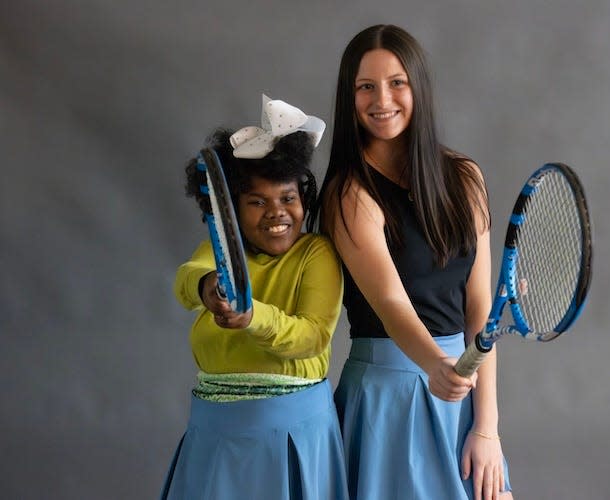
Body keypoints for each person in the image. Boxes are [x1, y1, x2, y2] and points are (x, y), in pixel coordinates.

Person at [309, 25, 513, 499]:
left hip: (459, 388)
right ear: (350, 96)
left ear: (418, 86)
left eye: (397, 82)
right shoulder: (349, 192)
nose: (382, 99)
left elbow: (478, 306)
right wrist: (437, 365)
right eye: (365, 87)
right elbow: (389, 302)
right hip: (387, 400)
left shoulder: (465, 177)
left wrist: (487, 428)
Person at [161, 95, 348, 499]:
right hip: (217, 431)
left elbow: (312, 336)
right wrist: (207, 286)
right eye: (257, 202)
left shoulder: (315, 254)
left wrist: (252, 316)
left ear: (304, 200)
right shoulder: (223, 250)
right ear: (230, 211)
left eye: (288, 199)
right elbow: (187, 280)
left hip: (295, 432)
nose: (276, 212)